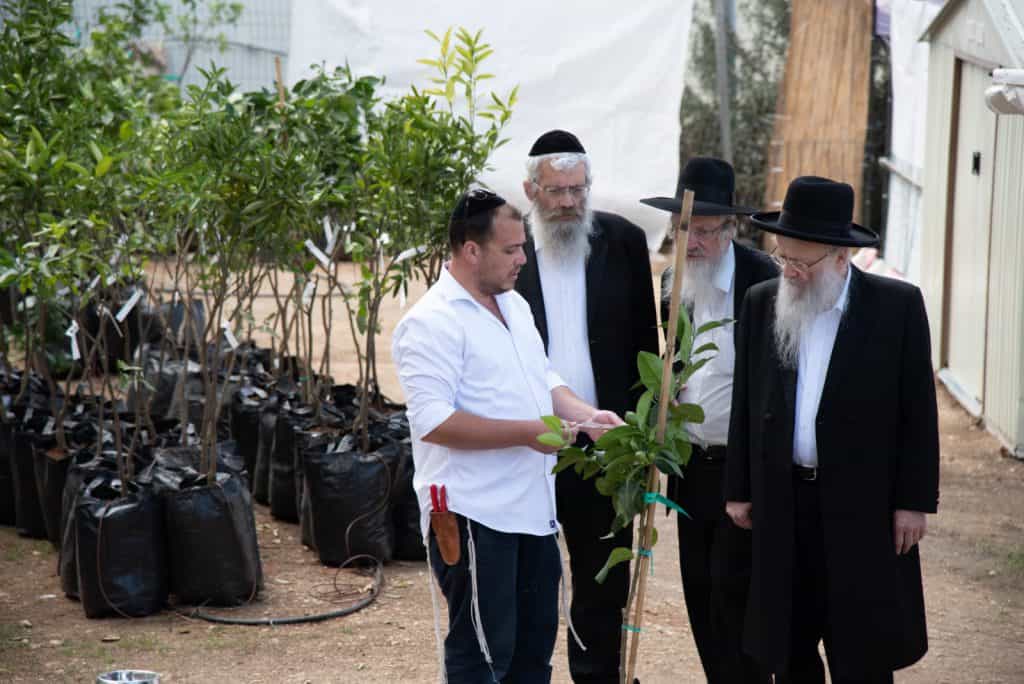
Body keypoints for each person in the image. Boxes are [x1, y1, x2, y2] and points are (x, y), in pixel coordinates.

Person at [392, 188, 622, 684]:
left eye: (524, 247)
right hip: (474, 513)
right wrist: (529, 434)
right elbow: (434, 422)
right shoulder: (429, 323)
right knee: (481, 654)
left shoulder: (514, 305)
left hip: (533, 511)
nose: (524, 258)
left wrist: (587, 415)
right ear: (470, 250)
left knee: (532, 655)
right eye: (512, 249)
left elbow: (544, 377)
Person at [725, 176, 940, 683]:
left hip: (862, 506)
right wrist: (738, 488)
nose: (791, 273)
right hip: (784, 502)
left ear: (842, 258)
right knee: (790, 645)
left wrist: (913, 502)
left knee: (860, 647)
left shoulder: (897, 308)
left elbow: (918, 411)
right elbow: (747, 402)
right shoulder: (762, 302)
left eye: (803, 262)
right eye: (784, 258)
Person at [514, 129, 659, 683]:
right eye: (556, 191)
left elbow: (646, 343)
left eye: (579, 188)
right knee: (531, 576)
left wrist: (640, 439)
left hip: (605, 442)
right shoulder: (511, 247)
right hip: (530, 444)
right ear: (532, 190)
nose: (570, 202)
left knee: (602, 577)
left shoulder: (621, 241)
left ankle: (596, 676)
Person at [640, 157, 777, 684]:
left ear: (730, 228)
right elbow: (674, 360)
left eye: (702, 231)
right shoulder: (674, 280)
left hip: (743, 468)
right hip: (691, 466)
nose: (690, 241)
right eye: (683, 229)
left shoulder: (762, 279)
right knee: (699, 592)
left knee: (735, 593)